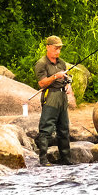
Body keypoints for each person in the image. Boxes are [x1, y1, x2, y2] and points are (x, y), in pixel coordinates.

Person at [33, 36, 72, 165]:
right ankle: (43, 160)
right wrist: (55, 76)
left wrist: (68, 85)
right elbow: (42, 83)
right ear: (48, 47)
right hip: (50, 97)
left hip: (62, 98)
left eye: (59, 49)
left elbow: (67, 79)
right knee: (46, 129)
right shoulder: (41, 63)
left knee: (64, 129)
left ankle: (66, 160)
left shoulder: (62, 63)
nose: (58, 52)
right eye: (56, 48)